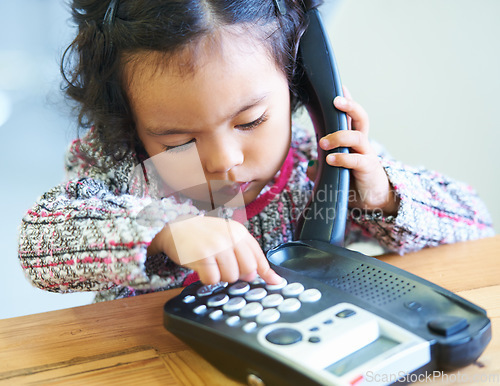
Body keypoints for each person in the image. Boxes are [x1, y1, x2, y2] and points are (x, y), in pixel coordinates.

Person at [18, 0, 493, 301]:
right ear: (131, 125)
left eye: (250, 121)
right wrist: (163, 232)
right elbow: (39, 250)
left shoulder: (324, 170)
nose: (223, 159)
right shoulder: (122, 172)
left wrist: (382, 195)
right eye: (178, 140)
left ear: (301, 87)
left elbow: (478, 232)